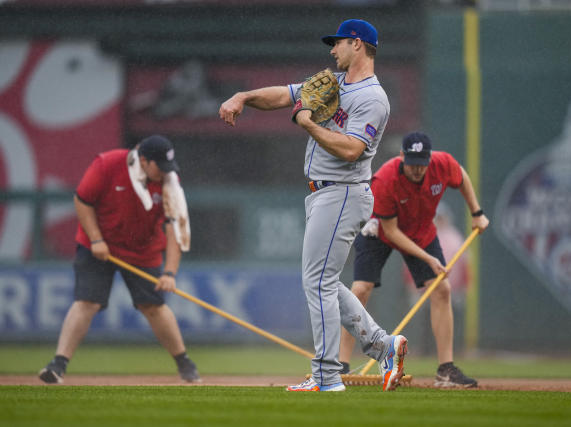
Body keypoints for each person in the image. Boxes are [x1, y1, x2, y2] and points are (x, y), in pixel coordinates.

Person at [219, 19, 407, 392]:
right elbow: (285, 95)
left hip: (343, 191)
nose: (331, 50)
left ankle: (326, 375)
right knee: (324, 281)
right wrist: (244, 97)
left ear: (357, 44)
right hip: (324, 194)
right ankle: (384, 346)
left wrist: (307, 123)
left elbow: (353, 150)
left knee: (317, 282)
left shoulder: (372, 97)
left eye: (336, 43)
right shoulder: (334, 83)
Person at [39, 135, 200, 384]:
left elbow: (175, 228)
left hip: (142, 249)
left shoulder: (169, 181)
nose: (166, 172)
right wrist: (96, 240)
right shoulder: (107, 165)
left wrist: (169, 273)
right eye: (160, 166)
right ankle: (58, 364)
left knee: (153, 306)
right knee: (87, 302)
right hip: (98, 244)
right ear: (144, 161)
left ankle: (185, 364)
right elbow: (82, 201)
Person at [338, 131, 489, 388]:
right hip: (381, 231)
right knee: (360, 289)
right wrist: (429, 259)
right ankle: (339, 366)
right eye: (412, 163)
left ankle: (446, 371)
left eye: (422, 163)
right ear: (401, 158)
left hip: (420, 231)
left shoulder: (441, 164)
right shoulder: (384, 180)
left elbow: (461, 176)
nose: (417, 169)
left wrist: (477, 212)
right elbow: (393, 232)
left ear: (429, 159)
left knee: (441, 289)